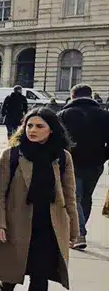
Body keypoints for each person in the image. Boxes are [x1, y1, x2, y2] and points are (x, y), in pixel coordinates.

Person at [0, 107, 80, 291]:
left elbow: (69, 196)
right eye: (29, 125)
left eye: (39, 126)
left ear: (51, 129)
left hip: (49, 225)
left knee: (41, 275)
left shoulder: (62, 158)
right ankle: (5, 290)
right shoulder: (13, 155)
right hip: (17, 222)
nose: (33, 130)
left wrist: (73, 230)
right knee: (13, 268)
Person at [57, 84, 109, 250]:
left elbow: (57, 140)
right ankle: (79, 229)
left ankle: (79, 233)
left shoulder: (63, 115)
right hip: (95, 164)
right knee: (86, 196)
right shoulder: (104, 115)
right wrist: (103, 155)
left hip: (72, 162)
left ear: (72, 96)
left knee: (74, 197)